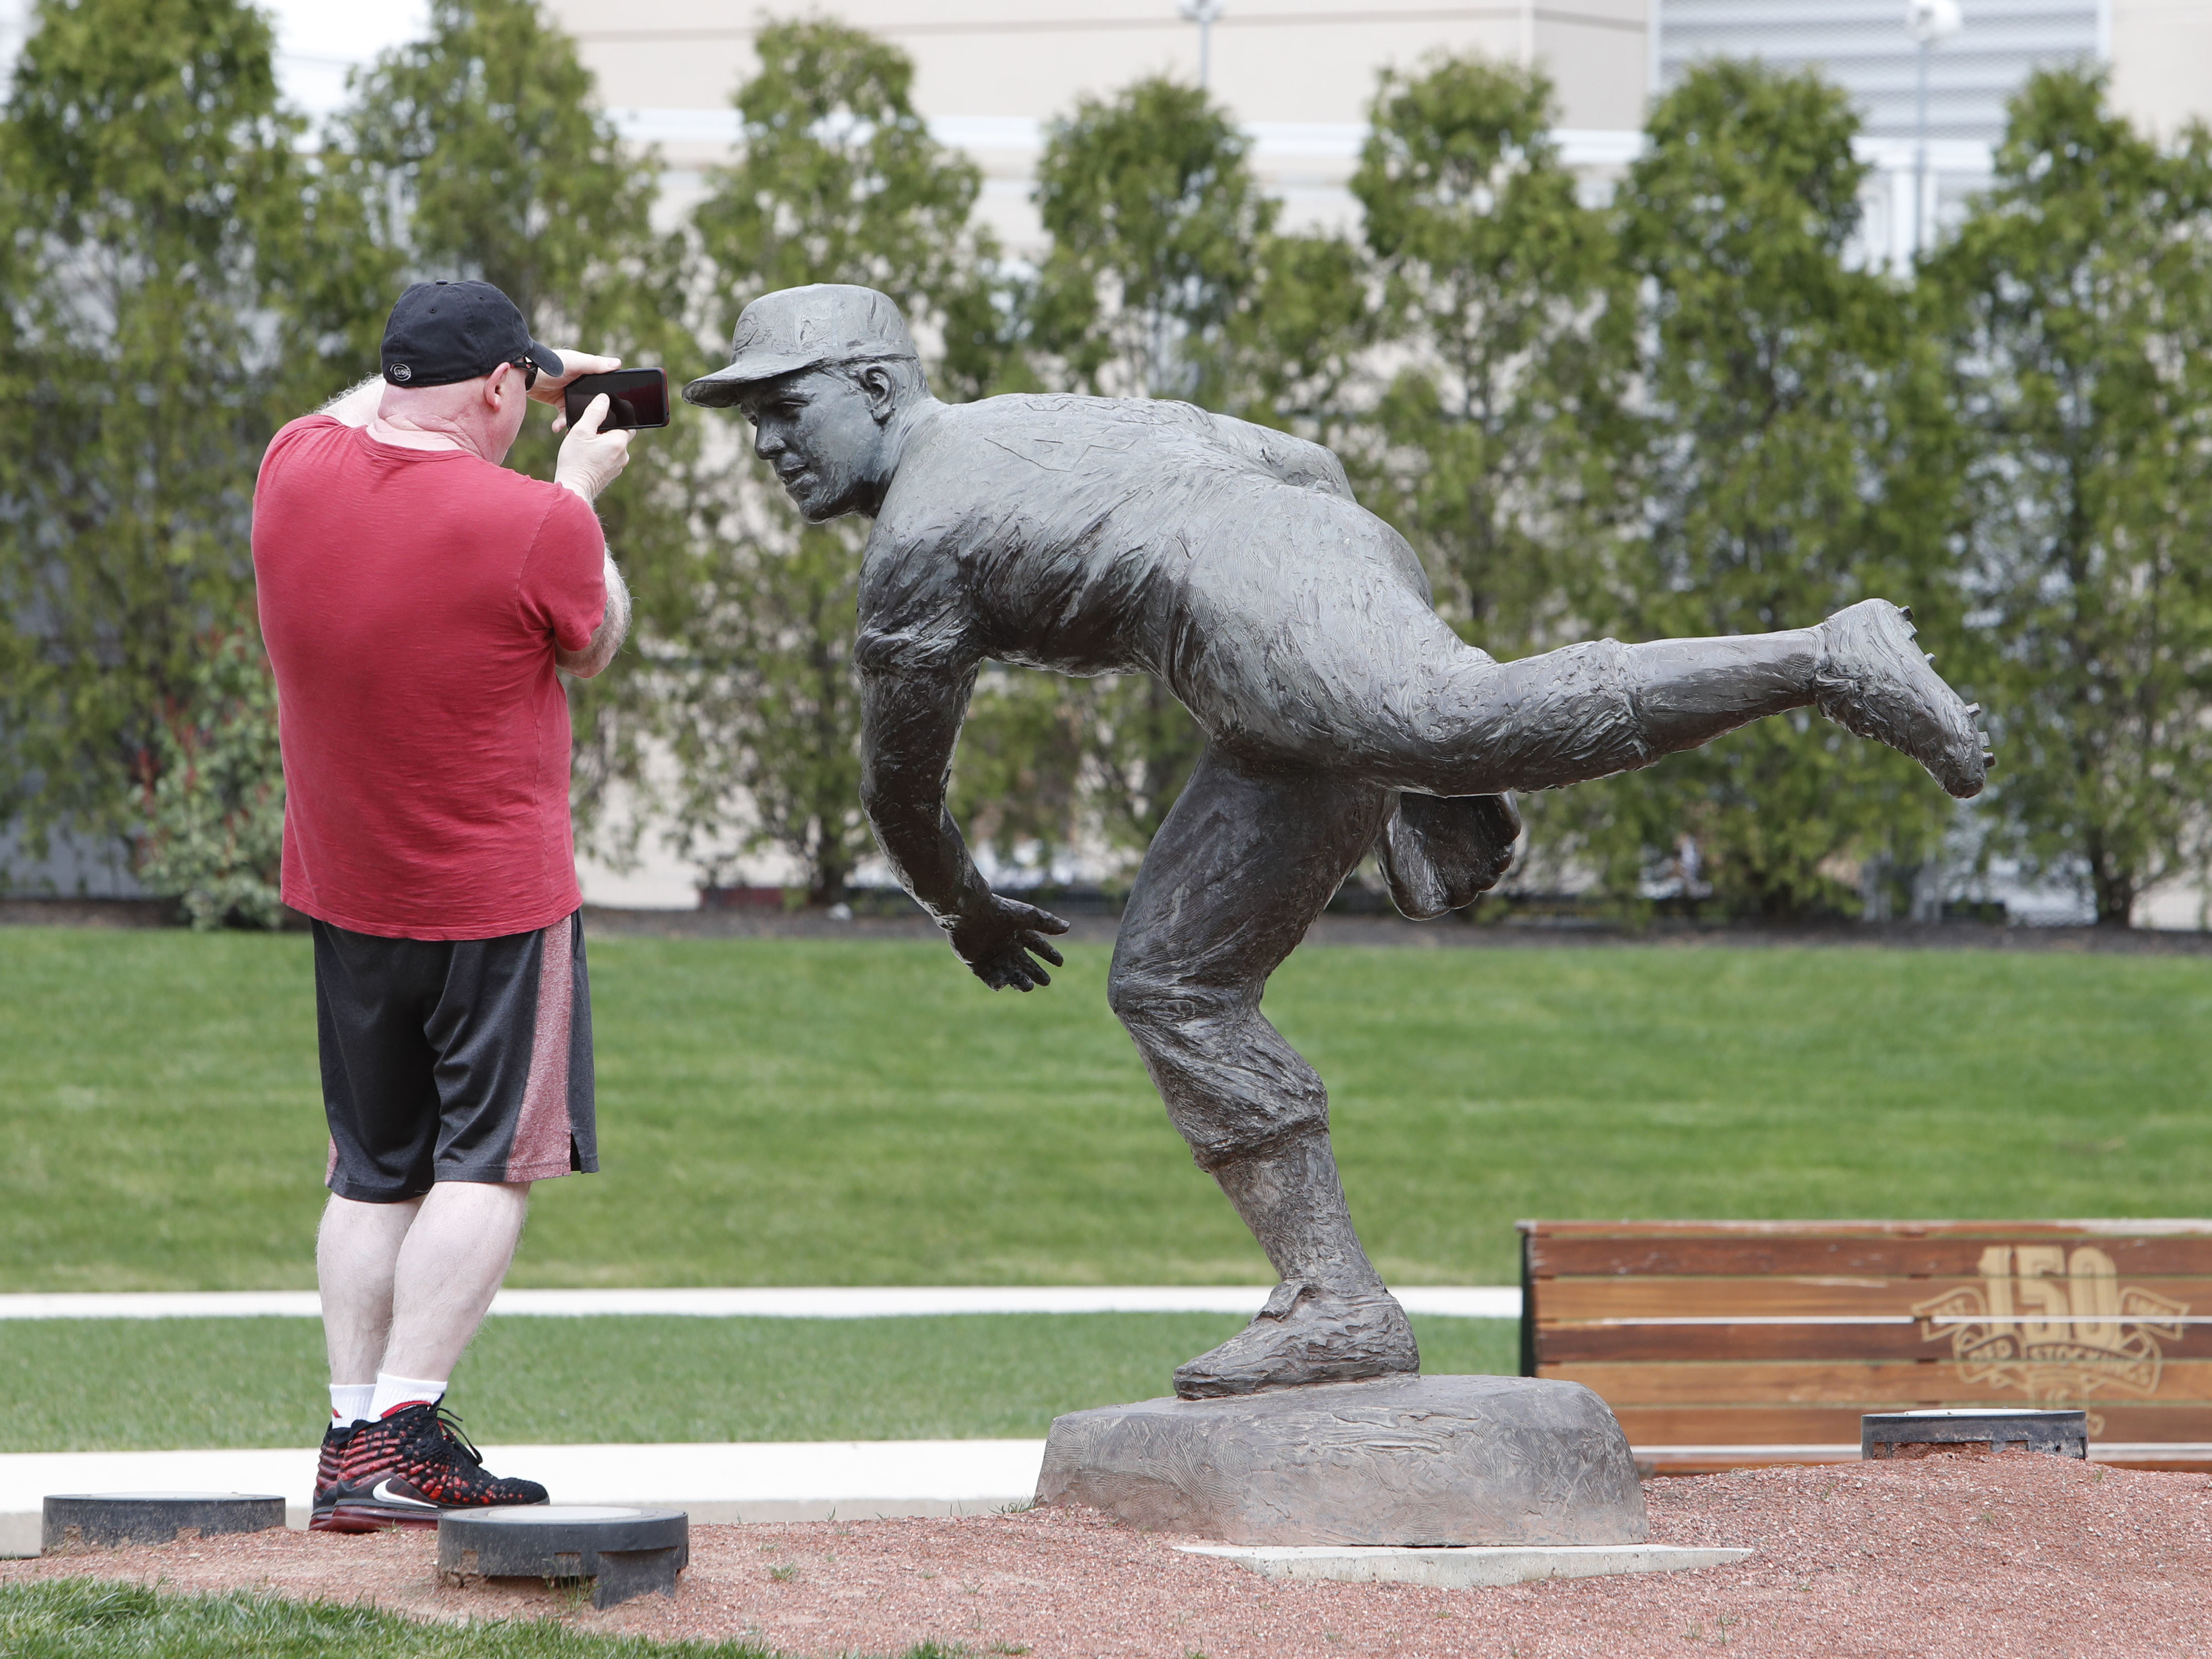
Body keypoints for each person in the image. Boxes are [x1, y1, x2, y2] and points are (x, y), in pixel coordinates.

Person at [683, 283, 1992, 1400]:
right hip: (1276, 611)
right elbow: (1308, 465)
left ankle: (1824, 656)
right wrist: (1364, 677)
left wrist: (964, 905)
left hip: (1247, 603)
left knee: (1456, 715)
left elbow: (900, 794)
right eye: (754, 422)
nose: (769, 445)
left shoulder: (917, 539)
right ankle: (1338, 1303)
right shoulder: (1035, 417)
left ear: (871, 381)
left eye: (785, 408)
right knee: (1175, 985)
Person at [252, 280, 636, 1530]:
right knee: (488, 1164)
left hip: (348, 888)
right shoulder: (536, 521)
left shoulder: (290, 468)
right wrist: (578, 491)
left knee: (371, 1174)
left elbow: (366, 413)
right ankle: (407, 1431)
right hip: (495, 900)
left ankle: (350, 1435)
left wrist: (502, 376)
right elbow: (597, 638)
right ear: (498, 393)